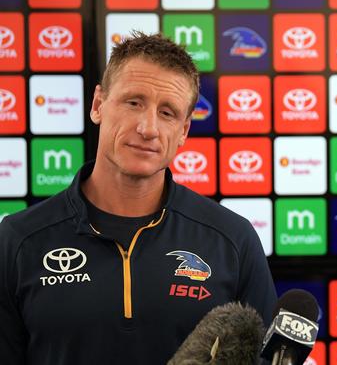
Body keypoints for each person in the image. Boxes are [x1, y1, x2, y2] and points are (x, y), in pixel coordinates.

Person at [0, 32, 277, 365]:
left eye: (168, 113)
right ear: (98, 105)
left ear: (184, 131)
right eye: (134, 102)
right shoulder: (17, 240)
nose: (148, 128)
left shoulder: (233, 239)